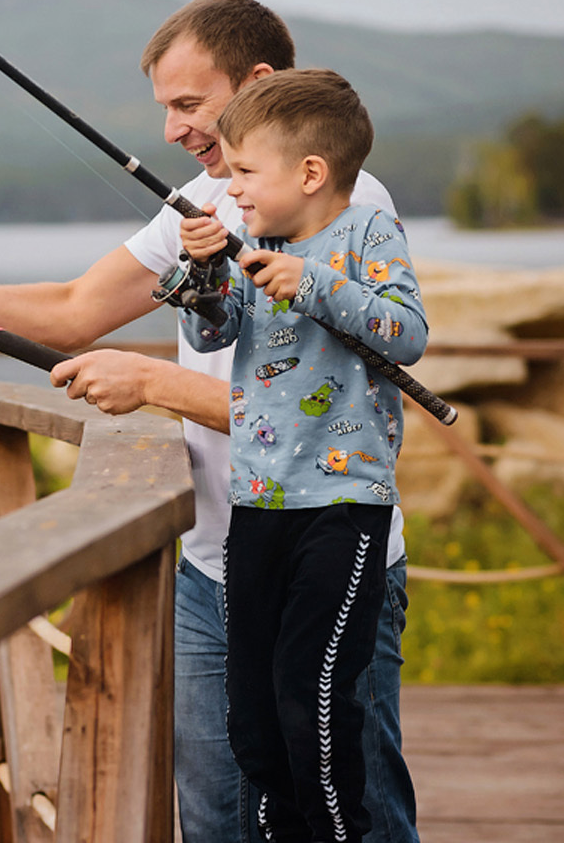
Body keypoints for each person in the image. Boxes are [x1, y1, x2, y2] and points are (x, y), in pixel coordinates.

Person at [0, 0, 420, 843]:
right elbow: (69, 311)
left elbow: (328, 424)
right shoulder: (206, 204)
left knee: (350, 813)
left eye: (187, 104)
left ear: (256, 83)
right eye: (164, 111)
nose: (172, 131)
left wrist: (154, 382)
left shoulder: (344, 211)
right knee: (217, 820)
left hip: (325, 553)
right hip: (215, 563)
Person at [176, 69, 426, 842]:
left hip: (342, 510)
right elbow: (210, 335)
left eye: (244, 171)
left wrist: (310, 280)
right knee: (250, 706)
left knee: (311, 698)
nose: (231, 189)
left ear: (310, 173)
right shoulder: (254, 242)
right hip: (257, 506)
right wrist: (209, 272)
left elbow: (406, 333)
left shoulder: (365, 235)